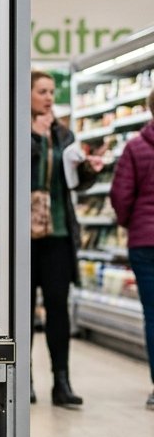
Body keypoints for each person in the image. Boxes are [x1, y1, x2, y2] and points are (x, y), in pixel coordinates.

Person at [30, 69, 104, 407]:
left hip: (58, 233)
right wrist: (34, 140)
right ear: (26, 94)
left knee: (58, 308)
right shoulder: (17, 130)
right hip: (24, 236)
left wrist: (90, 168)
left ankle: (62, 381)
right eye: (42, 91)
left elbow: (75, 181)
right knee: (23, 311)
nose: (48, 97)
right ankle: (24, 379)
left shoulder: (63, 134)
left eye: (51, 92)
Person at [110, 89, 154, 410]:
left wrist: (130, 222)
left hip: (144, 242)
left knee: (152, 316)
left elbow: (121, 196)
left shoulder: (136, 146)